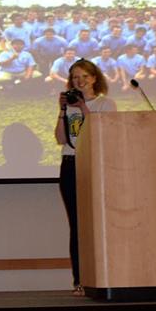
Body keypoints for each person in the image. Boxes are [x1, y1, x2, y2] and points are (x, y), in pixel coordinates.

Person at [54, 60, 117, 295]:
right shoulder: (68, 105)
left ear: (94, 79)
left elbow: (99, 134)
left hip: (95, 166)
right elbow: (61, 139)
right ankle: (78, 280)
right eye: (75, 78)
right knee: (77, 226)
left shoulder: (105, 104)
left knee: (97, 225)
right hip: (70, 165)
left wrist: (83, 108)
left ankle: (101, 277)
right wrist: (62, 110)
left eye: (84, 77)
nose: (79, 82)